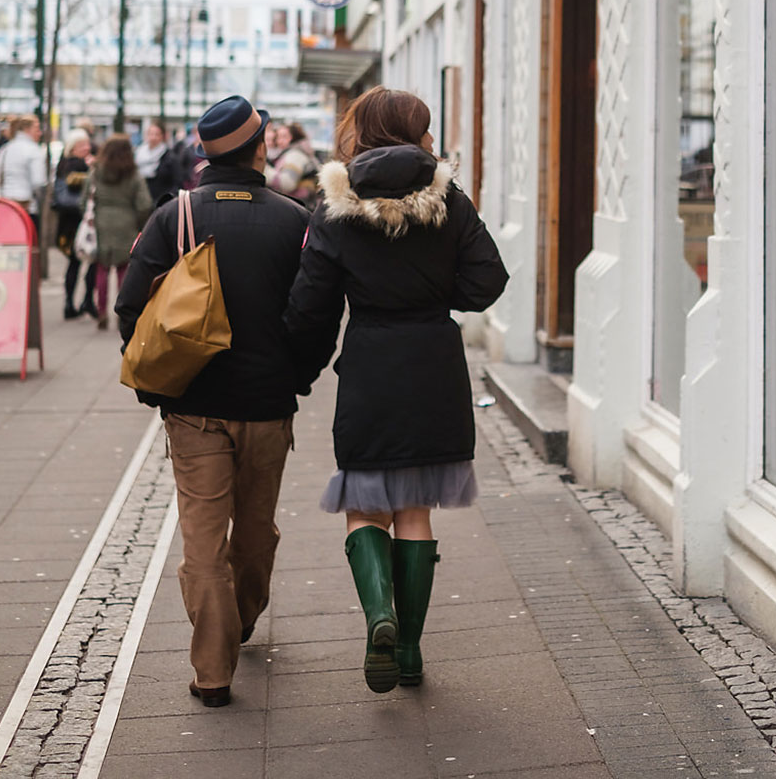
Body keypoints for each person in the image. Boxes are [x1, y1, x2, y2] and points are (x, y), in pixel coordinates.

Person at [283, 85, 508, 694]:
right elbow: (488, 280)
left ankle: (378, 615)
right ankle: (407, 650)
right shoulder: (447, 196)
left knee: (366, 502)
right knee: (415, 508)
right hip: (433, 361)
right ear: (414, 131)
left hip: (372, 362)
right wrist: (440, 296)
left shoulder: (336, 202)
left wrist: (297, 367)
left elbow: (311, 304)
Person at [115, 95, 309, 710]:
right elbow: (314, 313)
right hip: (268, 407)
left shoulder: (176, 218)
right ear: (261, 148)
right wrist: (296, 377)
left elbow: (128, 309)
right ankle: (243, 618)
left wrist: (162, 376)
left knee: (202, 540)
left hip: (195, 409)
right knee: (254, 532)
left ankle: (213, 672)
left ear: (205, 154)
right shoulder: (293, 220)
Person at [86, 135, 153, 330]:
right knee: (124, 270)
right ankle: (122, 312)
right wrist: (140, 223)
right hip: (127, 224)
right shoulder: (133, 174)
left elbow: (85, 199)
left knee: (102, 269)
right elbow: (144, 204)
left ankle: (101, 311)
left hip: (101, 223)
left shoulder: (96, 172)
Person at [54, 129, 93, 319]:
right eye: (81, 145)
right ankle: (81, 302)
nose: (87, 147)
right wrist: (92, 170)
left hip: (70, 222)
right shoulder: (73, 164)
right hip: (77, 221)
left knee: (75, 264)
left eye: (87, 143)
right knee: (82, 262)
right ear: (72, 147)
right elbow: (72, 182)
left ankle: (73, 302)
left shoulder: (64, 163)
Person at [0, 114, 47, 242]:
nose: (40, 133)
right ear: (27, 130)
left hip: (6, 207)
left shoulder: (5, 149)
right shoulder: (34, 150)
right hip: (27, 209)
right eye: (37, 129)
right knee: (28, 246)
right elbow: (38, 182)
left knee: (9, 245)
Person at [267, 121, 319, 208]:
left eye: (284, 136)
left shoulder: (295, 155)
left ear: (294, 137)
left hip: (300, 205)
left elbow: (287, 183)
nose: (280, 141)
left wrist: (265, 170)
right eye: (278, 137)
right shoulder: (296, 152)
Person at [136, 120, 183, 203]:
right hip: (142, 203)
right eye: (151, 134)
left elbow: (177, 183)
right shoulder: (139, 154)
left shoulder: (170, 157)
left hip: (161, 203)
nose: (153, 137)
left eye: (157, 134)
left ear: (162, 136)